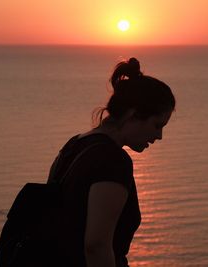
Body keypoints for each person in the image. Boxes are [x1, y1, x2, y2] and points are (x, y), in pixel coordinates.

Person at [47, 57, 176, 267]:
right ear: (133, 115)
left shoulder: (74, 145)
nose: (159, 136)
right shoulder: (113, 161)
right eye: (157, 125)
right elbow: (96, 245)